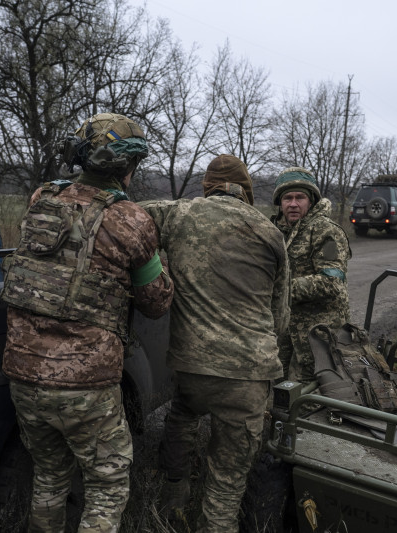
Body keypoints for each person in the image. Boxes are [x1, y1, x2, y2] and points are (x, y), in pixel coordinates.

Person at [0, 113, 173, 532]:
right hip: (85, 384)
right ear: (128, 167)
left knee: (49, 474)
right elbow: (155, 303)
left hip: (23, 374)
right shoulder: (130, 219)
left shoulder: (43, 198)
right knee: (107, 482)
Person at [142, 154, 289, 532]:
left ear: (207, 185)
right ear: (248, 190)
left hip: (193, 366)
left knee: (183, 414)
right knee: (227, 478)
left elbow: (124, 216)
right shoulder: (271, 232)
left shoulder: (177, 214)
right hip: (247, 375)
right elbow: (280, 317)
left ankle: (173, 499)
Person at [270, 167, 352, 384]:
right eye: (287, 198)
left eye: (300, 197)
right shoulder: (274, 231)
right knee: (276, 389)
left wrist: (280, 288)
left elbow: (332, 283)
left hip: (317, 334)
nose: (293, 203)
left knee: (307, 398)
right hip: (284, 331)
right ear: (280, 202)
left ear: (311, 200)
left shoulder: (326, 231)